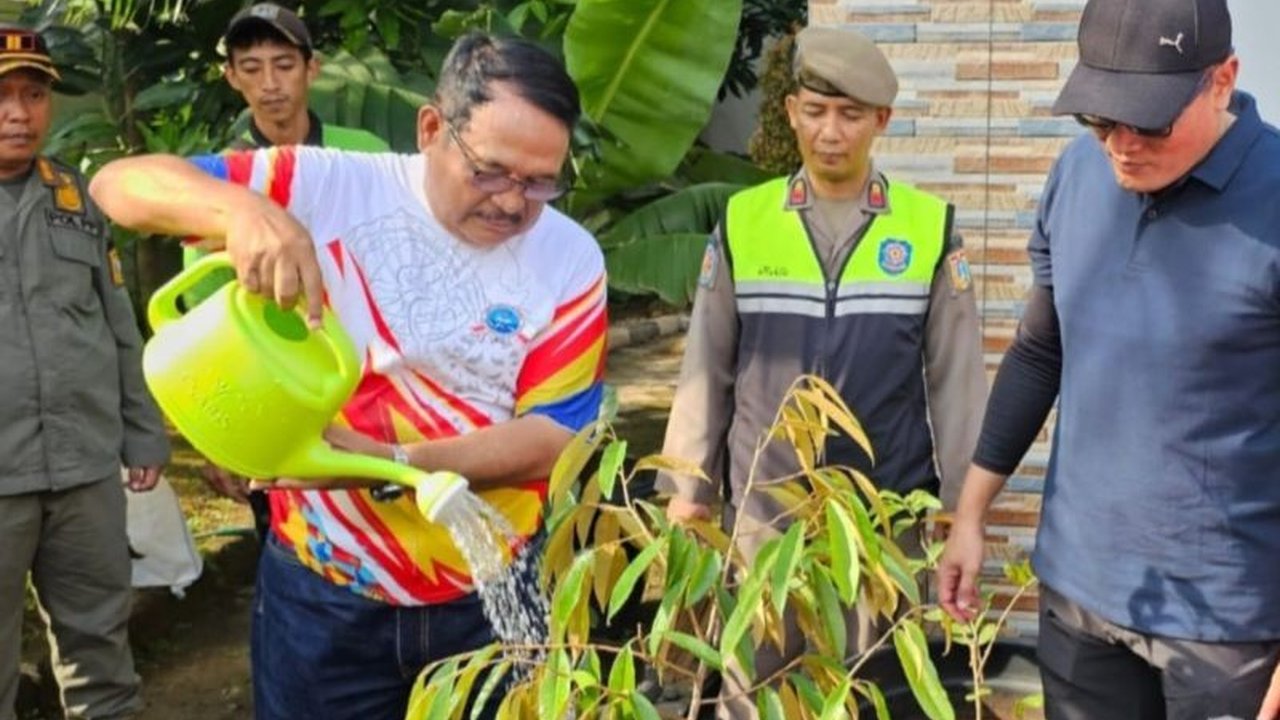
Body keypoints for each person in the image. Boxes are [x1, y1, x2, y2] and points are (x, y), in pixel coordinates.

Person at [89, 32, 606, 720]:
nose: (513, 203)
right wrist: (245, 212)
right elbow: (116, 184)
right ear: (431, 128)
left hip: (486, 585)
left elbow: (554, 437)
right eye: (490, 171)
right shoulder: (328, 186)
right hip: (326, 589)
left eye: (540, 182)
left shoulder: (569, 259)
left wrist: (390, 463)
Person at [935, 0, 1280, 717]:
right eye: (1099, 119)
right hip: (1079, 598)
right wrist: (972, 514)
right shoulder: (1077, 175)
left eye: (1148, 120)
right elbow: (1039, 351)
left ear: (1223, 80)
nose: (1121, 144)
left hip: (1230, 629)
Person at [658, 25, 986, 717]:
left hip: (882, 517)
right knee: (756, 689)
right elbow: (705, 363)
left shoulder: (926, 227)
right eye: (814, 111)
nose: (830, 132)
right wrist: (689, 490)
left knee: (877, 688)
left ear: (881, 122)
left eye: (850, 115)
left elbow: (956, 381)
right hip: (762, 514)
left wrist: (964, 512)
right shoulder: (745, 221)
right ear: (790, 114)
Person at [0, 24, 170, 720]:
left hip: (83, 472)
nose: (19, 111)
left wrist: (143, 433)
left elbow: (118, 325)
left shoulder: (76, 198)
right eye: (2, 95)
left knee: (100, 653)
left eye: (33, 94)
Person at [189, 1, 391, 544]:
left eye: (283, 64)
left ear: (312, 68)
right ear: (231, 76)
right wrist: (219, 438)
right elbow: (209, 321)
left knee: (389, 529)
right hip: (277, 396)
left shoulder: (365, 156)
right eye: (251, 68)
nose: (270, 83)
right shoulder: (219, 183)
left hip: (373, 387)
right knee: (293, 546)